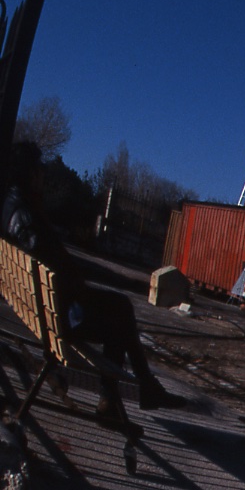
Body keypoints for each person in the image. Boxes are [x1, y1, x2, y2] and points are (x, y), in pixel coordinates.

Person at [3, 142, 185, 411]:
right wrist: (81, 289)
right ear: (31, 174)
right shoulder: (27, 215)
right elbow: (54, 263)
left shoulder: (11, 205)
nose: (43, 174)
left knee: (119, 309)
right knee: (120, 313)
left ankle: (129, 393)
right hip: (59, 317)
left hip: (42, 308)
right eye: (40, 170)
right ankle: (123, 394)